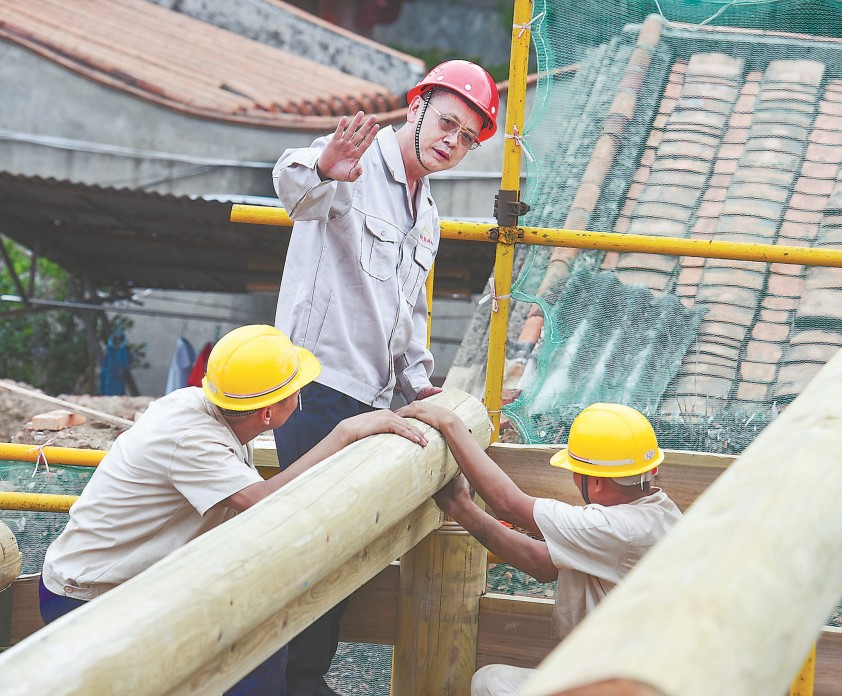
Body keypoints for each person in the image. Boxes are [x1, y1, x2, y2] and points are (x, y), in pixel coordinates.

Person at [270, 59, 499, 696]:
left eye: (467, 137)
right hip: (317, 389)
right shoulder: (358, 160)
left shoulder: (428, 212)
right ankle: (288, 681)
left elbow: (409, 312)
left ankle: (302, 678)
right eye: (447, 122)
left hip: (371, 400)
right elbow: (294, 187)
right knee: (310, 542)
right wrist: (324, 168)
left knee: (344, 544)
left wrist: (419, 386)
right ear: (416, 106)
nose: (451, 141)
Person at [39, 325, 427, 695]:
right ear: (268, 414)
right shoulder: (193, 441)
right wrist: (345, 432)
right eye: (297, 392)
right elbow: (264, 503)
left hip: (136, 589)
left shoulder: (204, 410)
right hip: (88, 601)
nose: (301, 396)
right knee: (251, 643)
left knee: (260, 639)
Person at [397, 401, 684, 696]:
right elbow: (542, 564)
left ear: (596, 482)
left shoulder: (615, 528)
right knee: (492, 682)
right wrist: (461, 507)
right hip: (634, 676)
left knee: (494, 686)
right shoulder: (661, 514)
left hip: (620, 685)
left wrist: (450, 423)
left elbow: (509, 504)